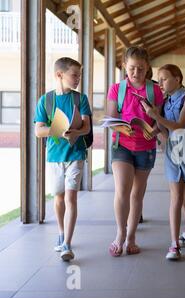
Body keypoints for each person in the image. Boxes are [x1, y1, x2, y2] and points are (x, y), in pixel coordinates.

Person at [106, 47, 164, 257]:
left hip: (145, 147)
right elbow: (111, 119)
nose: (136, 73)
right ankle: (120, 234)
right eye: (131, 68)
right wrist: (123, 127)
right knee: (122, 190)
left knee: (137, 194)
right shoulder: (116, 89)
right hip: (122, 144)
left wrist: (154, 130)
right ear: (124, 66)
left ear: (147, 68)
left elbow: (161, 121)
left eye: (140, 69)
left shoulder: (155, 90)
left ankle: (132, 237)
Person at [142, 64, 185, 260]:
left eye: (164, 79)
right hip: (172, 154)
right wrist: (147, 128)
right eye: (158, 79)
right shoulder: (164, 102)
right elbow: (163, 129)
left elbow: (178, 126)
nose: (160, 83)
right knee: (176, 199)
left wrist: (155, 116)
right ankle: (174, 244)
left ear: (178, 79)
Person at [34, 57, 92, 261]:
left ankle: (67, 242)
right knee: (58, 197)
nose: (78, 79)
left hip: (76, 155)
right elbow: (38, 131)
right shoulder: (46, 100)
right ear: (60, 75)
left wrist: (75, 131)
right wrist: (59, 131)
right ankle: (61, 233)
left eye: (79, 75)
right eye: (74, 75)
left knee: (71, 197)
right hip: (54, 156)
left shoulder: (80, 99)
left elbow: (87, 127)